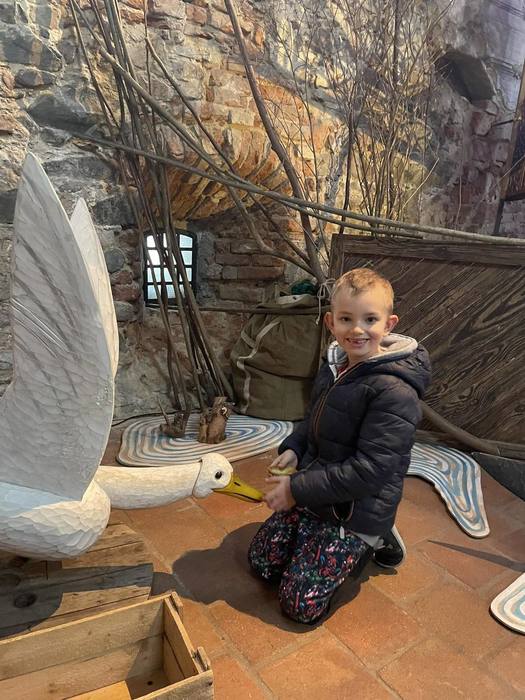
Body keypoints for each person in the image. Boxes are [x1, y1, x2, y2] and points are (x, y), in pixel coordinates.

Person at [248, 268, 431, 624]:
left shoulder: (395, 393)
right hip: (318, 490)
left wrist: (296, 489)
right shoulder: (333, 366)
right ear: (331, 322)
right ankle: (316, 538)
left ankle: (374, 537)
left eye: (370, 319)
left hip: (356, 507)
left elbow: (371, 471)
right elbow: (313, 420)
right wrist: (294, 448)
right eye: (346, 319)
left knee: (299, 605)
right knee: (262, 564)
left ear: (389, 324)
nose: (357, 329)